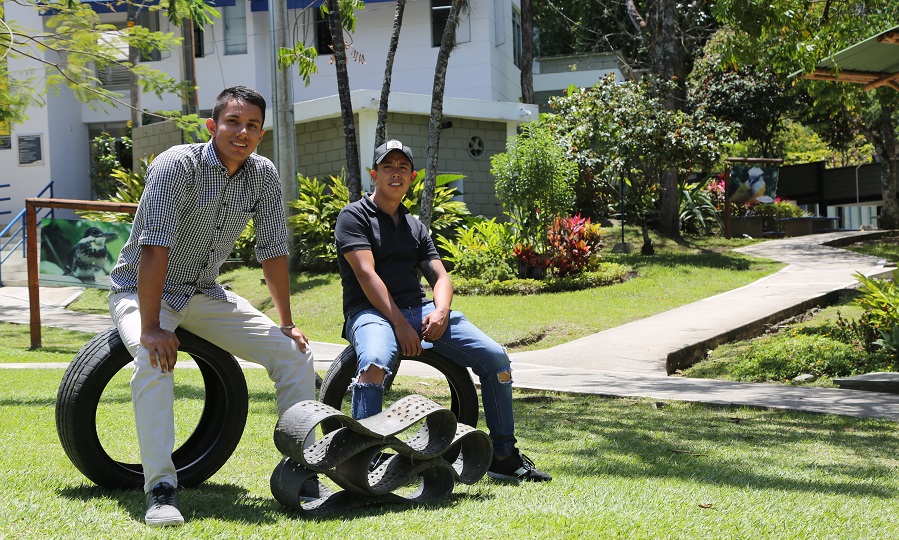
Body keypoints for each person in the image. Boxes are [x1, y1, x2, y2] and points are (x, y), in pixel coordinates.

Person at [108, 86, 316, 526]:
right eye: (233, 122)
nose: (242, 132)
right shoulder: (176, 165)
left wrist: (287, 323)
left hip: (203, 290)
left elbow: (273, 249)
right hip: (143, 291)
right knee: (153, 359)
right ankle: (162, 488)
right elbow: (153, 248)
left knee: (295, 355)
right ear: (212, 126)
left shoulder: (263, 174)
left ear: (262, 133)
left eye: (252, 126)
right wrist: (150, 327)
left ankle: (304, 471)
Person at [334, 139, 551, 483]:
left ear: (412, 177)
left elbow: (440, 277)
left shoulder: (415, 226)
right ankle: (367, 459)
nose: (395, 173)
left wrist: (441, 310)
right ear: (374, 174)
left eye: (402, 168)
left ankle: (503, 457)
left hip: (420, 310)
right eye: (388, 167)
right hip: (371, 312)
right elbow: (366, 275)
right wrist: (399, 325)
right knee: (375, 362)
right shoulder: (353, 216)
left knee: (496, 358)